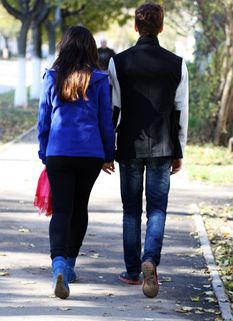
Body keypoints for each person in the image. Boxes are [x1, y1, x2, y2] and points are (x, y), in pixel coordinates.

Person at [108, 3, 189, 298]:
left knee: (131, 210)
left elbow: (113, 109)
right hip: (164, 144)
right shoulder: (177, 63)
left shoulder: (119, 62)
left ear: (135, 27)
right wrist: (180, 149)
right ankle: (149, 260)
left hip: (128, 144)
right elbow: (181, 110)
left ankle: (131, 271)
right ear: (162, 27)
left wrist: (108, 148)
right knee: (157, 209)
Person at [37, 26, 115, 299]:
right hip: (90, 153)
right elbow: (106, 121)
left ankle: (58, 265)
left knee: (61, 211)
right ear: (91, 49)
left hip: (59, 151)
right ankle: (68, 266)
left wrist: (44, 151)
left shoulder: (52, 76)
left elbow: (44, 118)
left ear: (65, 47)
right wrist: (108, 154)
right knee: (79, 208)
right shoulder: (99, 79)